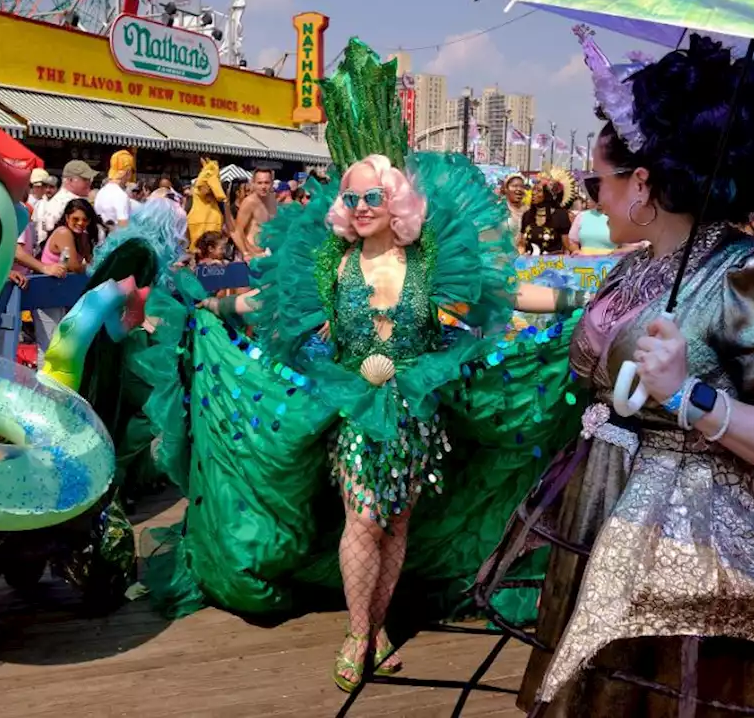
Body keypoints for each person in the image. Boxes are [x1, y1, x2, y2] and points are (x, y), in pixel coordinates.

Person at [134, 38, 584, 694]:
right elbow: (265, 303)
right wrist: (207, 306)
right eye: (354, 196)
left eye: (375, 194)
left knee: (396, 522)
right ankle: (357, 632)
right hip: (354, 411)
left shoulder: (430, 262)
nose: (363, 205)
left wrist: (585, 300)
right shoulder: (329, 264)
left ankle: (377, 623)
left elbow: (509, 292)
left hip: (416, 412)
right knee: (363, 518)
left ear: (396, 200)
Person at [518, 30, 754, 716]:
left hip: (702, 555)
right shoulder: (635, 268)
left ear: (642, 184)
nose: (591, 201)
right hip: (604, 511)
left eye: (594, 184)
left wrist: (690, 396)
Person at [33, 198, 99, 350]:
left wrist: (87, 266)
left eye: (85, 219)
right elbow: (76, 266)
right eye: (76, 219)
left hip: (64, 294)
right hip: (47, 293)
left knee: (63, 345)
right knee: (50, 346)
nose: (80, 223)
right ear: (67, 217)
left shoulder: (83, 236)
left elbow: (91, 264)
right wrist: (86, 266)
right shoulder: (63, 232)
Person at [519, 168, 575, 254]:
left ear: (548, 195)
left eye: (539, 190)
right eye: (533, 189)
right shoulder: (527, 215)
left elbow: (567, 246)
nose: (534, 193)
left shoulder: (561, 215)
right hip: (529, 265)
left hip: (552, 264)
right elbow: (522, 245)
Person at [36, 160, 97, 236]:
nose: (89, 182)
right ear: (70, 180)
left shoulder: (58, 200)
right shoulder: (68, 202)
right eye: (85, 179)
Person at [235, 168, 277, 259]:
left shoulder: (273, 201)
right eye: (260, 183)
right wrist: (246, 252)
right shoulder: (249, 202)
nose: (263, 186)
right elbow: (238, 231)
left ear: (272, 183)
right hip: (252, 255)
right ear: (253, 183)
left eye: (266, 182)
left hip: (269, 253)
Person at [186, 159, 224, 252]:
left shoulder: (219, 203)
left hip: (215, 253)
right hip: (195, 253)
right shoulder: (192, 200)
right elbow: (183, 228)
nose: (210, 191)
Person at [94, 150, 135, 229]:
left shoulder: (101, 192)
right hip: (115, 239)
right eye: (133, 171)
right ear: (128, 172)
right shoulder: (120, 195)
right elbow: (123, 227)